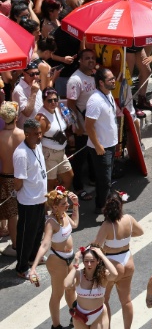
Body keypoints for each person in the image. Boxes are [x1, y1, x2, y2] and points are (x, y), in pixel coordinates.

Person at [93, 191, 144, 329]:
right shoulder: (129, 219)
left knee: (104, 299)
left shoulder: (107, 225)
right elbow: (140, 231)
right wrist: (124, 239)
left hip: (111, 265)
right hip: (127, 262)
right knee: (126, 300)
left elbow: (96, 246)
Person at [28, 187, 78, 329]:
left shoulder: (63, 214)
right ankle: (55, 327)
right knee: (58, 294)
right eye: (64, 204)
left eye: (67, 203)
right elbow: (44, 245)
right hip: (57, 261)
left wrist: (76, 205)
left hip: (69, 258)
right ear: (54, 206)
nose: (67, 205)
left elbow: (74, 224)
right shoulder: (51, 223)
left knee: (71, 289)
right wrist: (34, 268)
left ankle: (74, 315)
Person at [65, 246, 119, 329]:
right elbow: (66, 284)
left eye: (92, 261)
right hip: (80, 317)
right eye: (86, 260)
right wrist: (75, 263)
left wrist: (102, 255)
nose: (89, 264)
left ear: (98, 261)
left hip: (98, 316)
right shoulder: (78, 273)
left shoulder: (103, 275)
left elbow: (115, 274)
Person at [13, 118, 48, 279]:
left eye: (40, 133)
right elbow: (18, 182)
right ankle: (21, 266)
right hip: (28, 201)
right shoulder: (21, 154)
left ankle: (33, 257)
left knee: (38, 231)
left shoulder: (37, 145)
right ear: (27, 134)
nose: (40, 136)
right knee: (26, 235)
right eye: (36, 134)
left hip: (40, 198)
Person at [85, 68, 118, 214]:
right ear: (101, 82)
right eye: (110, 79)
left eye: (113, 78)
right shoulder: (95, 101)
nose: (113, 80)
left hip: (110, 144)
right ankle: (104, 209)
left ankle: (101, 204)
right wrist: (98, 145)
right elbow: (88, 126)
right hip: (101, 148)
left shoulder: (108, 94)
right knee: (105, 181)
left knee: (105, 179)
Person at [66, 49, 97, 201]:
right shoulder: (75, 80)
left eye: (93, 58)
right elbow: (70, 104)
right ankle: (78, 187)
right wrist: (76, 125)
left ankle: (93, 178)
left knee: (93, 154)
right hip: (81, 128)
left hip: (93, 125)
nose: (91, 61)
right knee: (80, 159)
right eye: (87, 58)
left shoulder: (93, 75)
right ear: (80, 61)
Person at [35, 87, 72, 191]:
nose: (53, 102)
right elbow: (35, 140)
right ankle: (50, 206)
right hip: (49, 154)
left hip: (62, 152)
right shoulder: (41, 118)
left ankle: (58, 201)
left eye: (55, 100)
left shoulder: (57, 110)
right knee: (50, 184)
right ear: (43, 101)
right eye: (49, 100)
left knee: (69, 177)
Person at [0, 103, 24, 257]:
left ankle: (16, 245)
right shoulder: (22, 134)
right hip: (21, 176)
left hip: (5, 177)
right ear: (16, 117)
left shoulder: (0, 136)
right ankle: (20, 244)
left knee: (12, 215)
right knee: (22, 211)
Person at [12, 62, 43, 127]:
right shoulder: (19, 90)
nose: (35, 77)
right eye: (32, 74)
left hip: (38, 127)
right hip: (27, 130)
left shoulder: (35, 85)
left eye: (37, 73)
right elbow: (27, 113)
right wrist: (33, 93)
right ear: (24, 73)